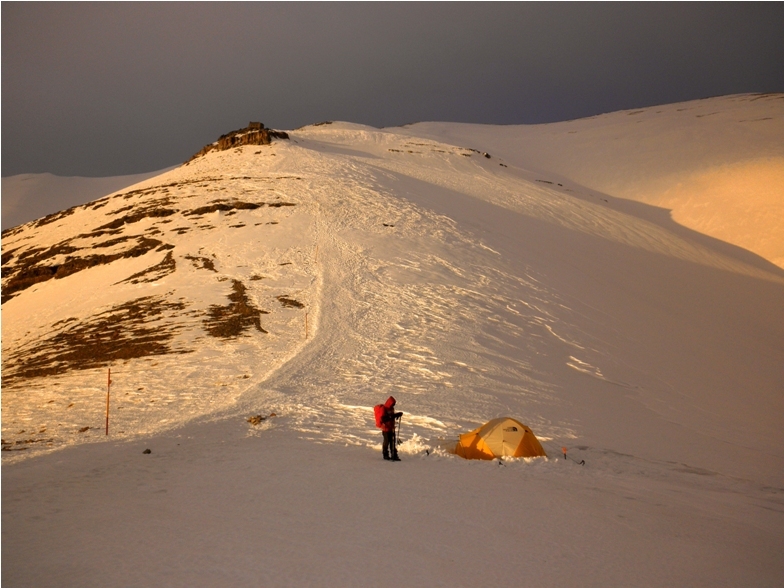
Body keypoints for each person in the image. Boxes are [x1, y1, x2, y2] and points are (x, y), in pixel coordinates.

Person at [378, 396, 403, 461]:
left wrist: (396, 415)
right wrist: (393, 416)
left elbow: (391, 417)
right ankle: (385, 454)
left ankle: (394, 454)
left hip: (391, 428)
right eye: (392, 404)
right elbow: (383, 419)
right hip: (386, 429)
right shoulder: (384, 409)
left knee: (393, 441)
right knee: (387, 442)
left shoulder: (391, 409)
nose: (393, 405)